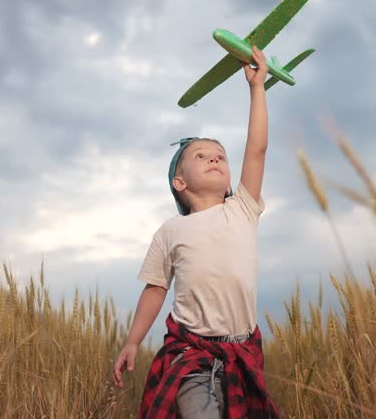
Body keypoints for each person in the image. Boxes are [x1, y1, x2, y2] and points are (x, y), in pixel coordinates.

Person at [112, 46, 281, 418]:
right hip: (192, 355)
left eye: (220, 155)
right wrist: (132, 341)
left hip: (243, 351)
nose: (214, 158)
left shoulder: (242, 209)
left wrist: (257, 89)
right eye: (201, 156)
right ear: (179, 183)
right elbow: (156, 288)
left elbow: (257, 149)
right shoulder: (172, 230)